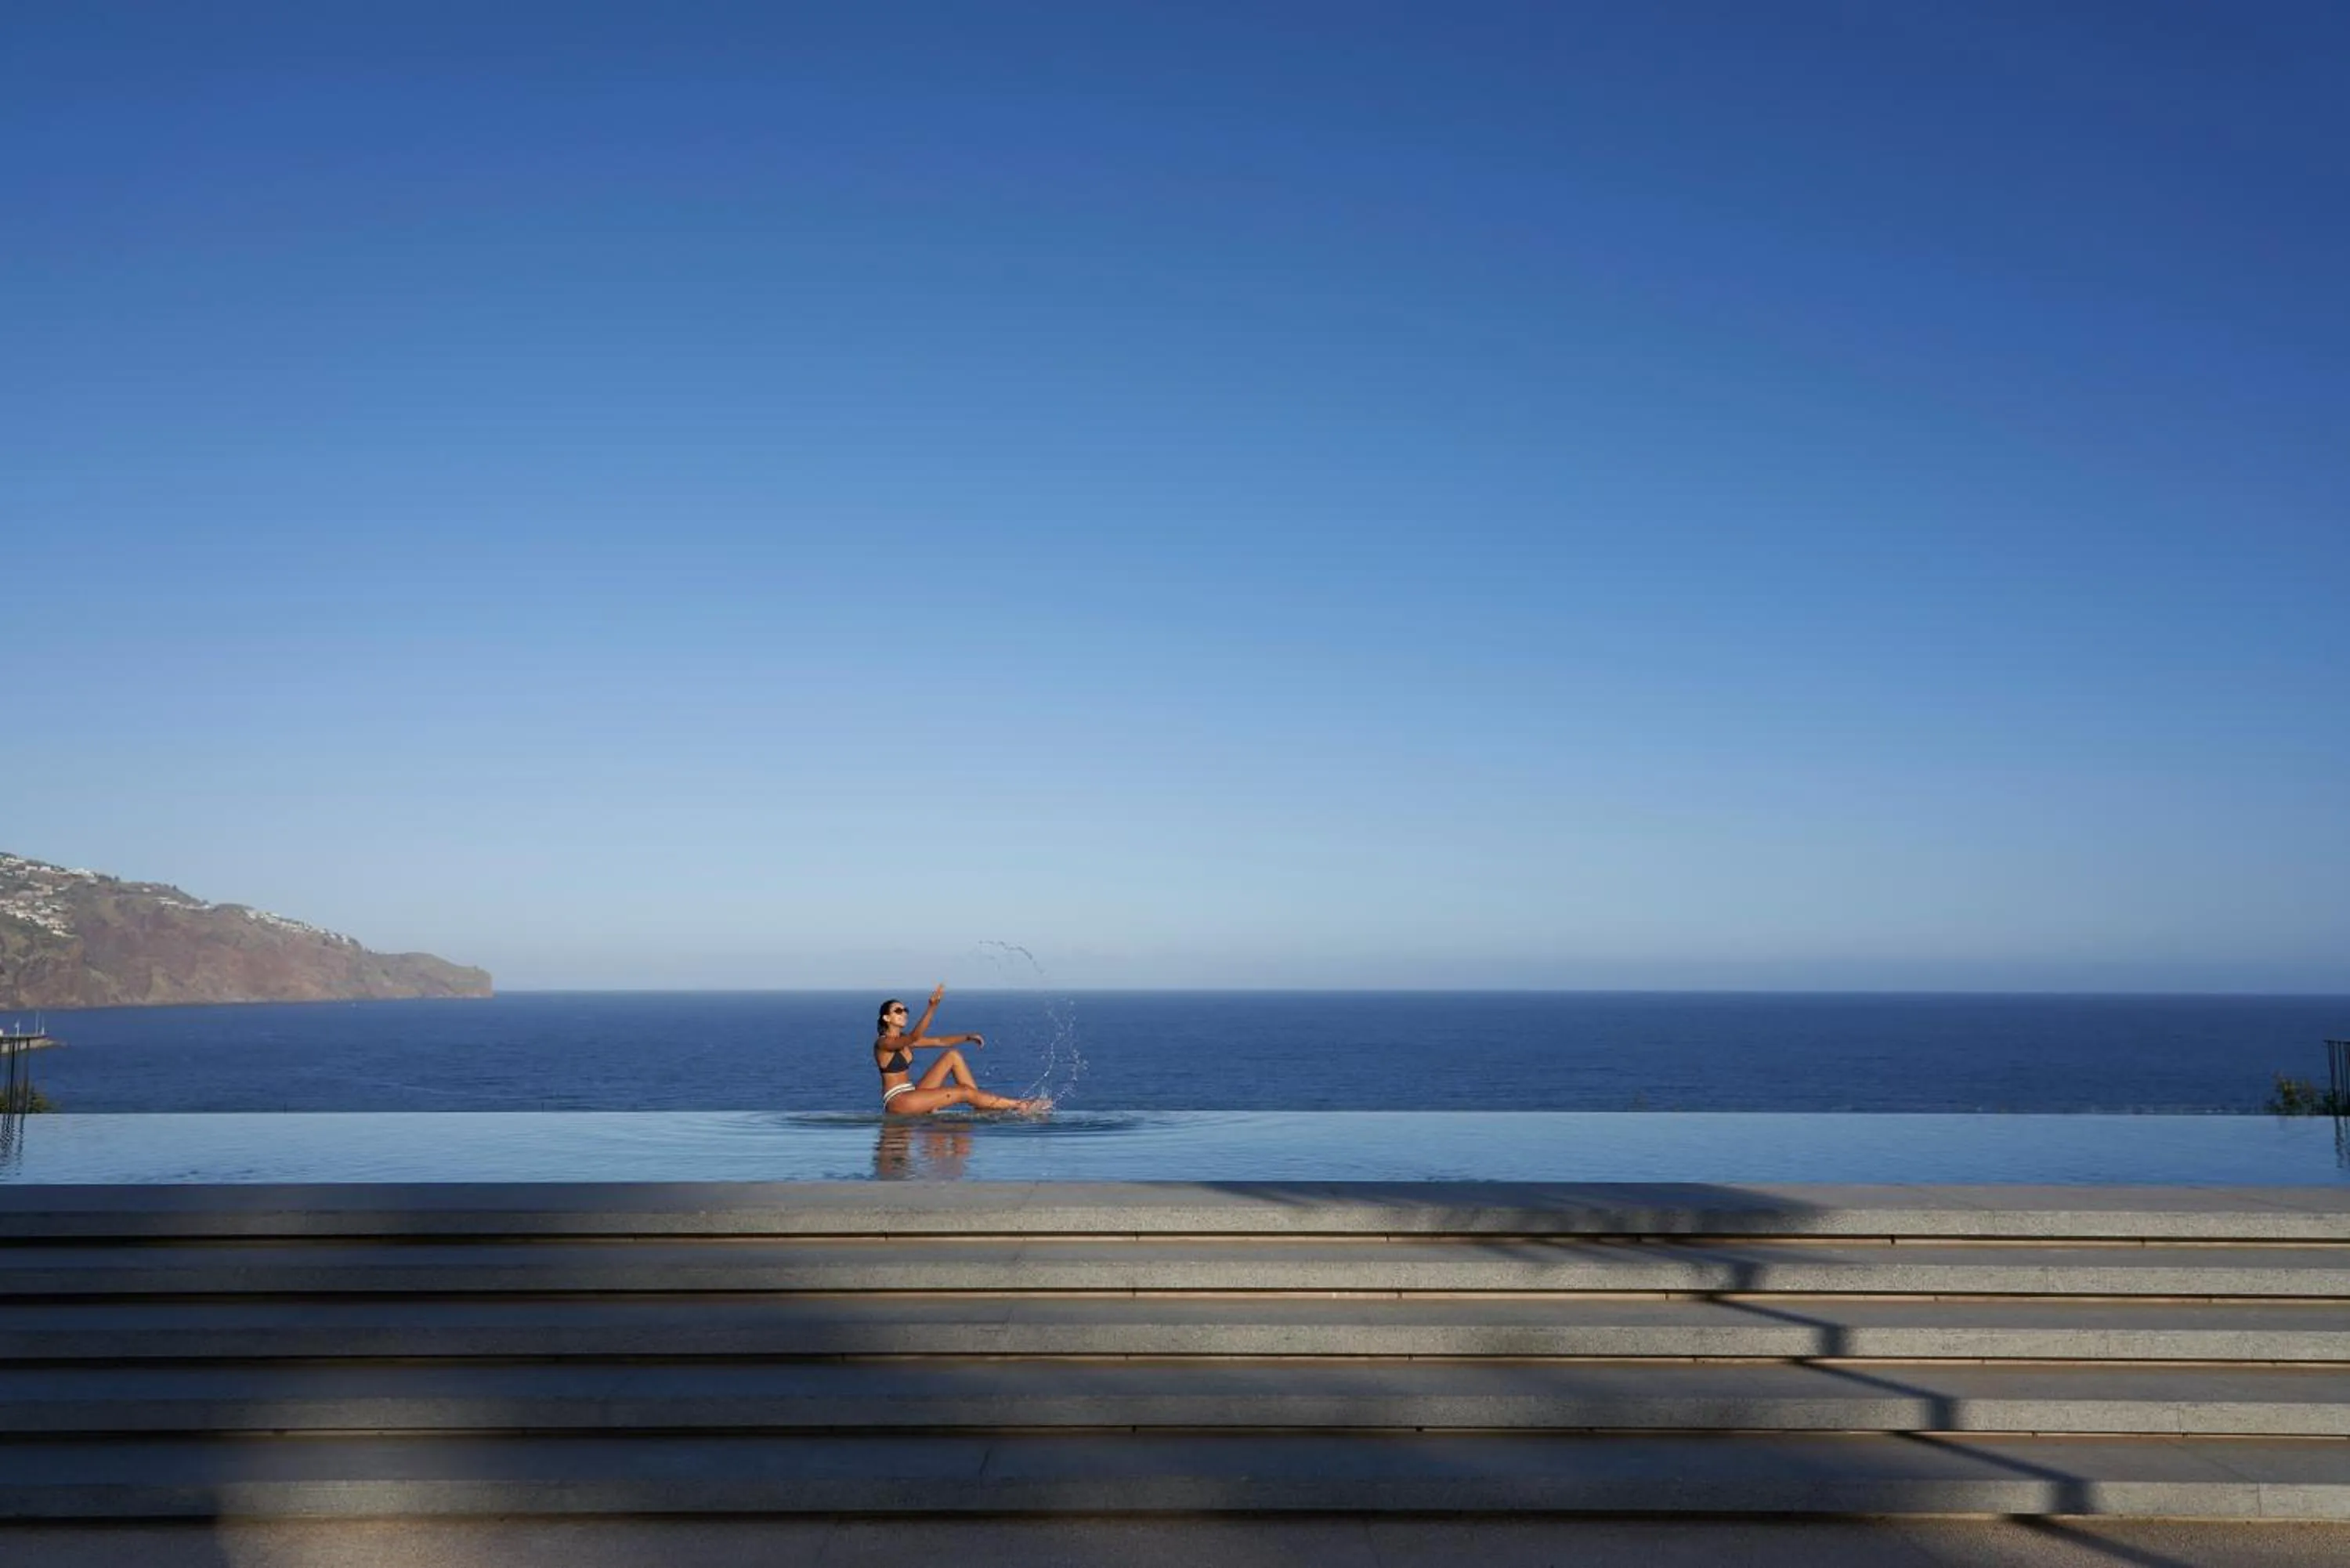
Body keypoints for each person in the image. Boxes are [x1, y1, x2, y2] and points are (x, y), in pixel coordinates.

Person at [873, 984, 1047, 1116]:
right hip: (899, 1101)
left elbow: (939, 1041)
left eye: (905, 1010)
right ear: (886, 1018)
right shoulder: (883, 1044)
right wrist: (932, 1007)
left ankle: (979, 1103)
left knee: (952, 1055)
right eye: (898, 1011)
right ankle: (1020, 1105)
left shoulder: (903, 1040)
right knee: (963, 1092)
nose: (904, 1013)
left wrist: (967, 1037)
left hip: (912, 1095)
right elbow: (914, 1037)